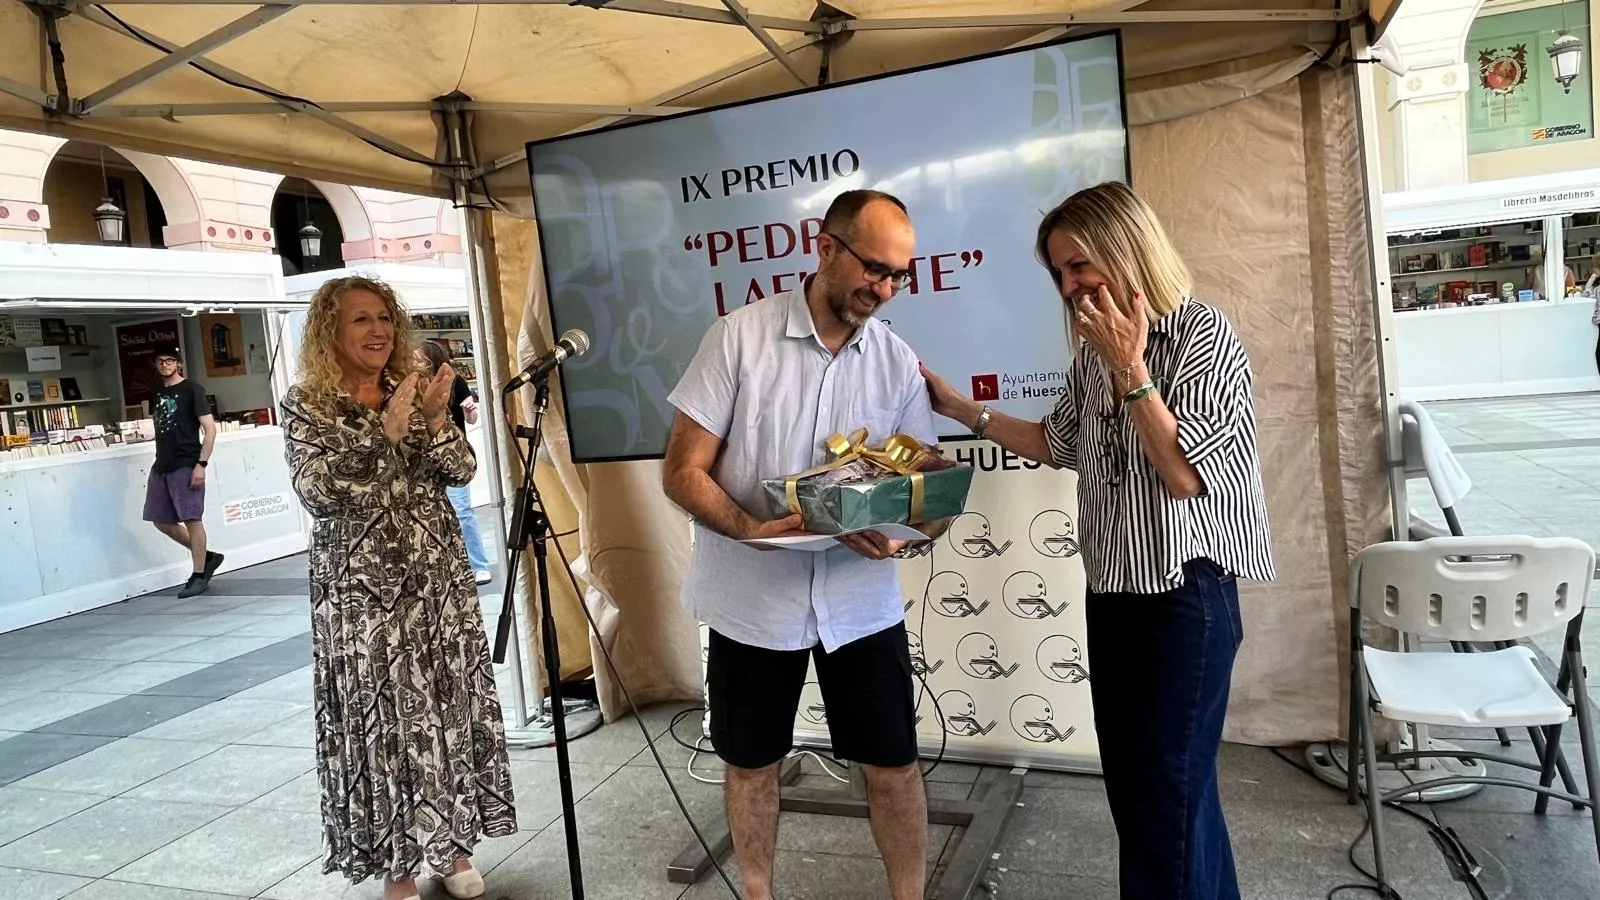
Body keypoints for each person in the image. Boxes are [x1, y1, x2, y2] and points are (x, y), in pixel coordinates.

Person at [921, 180, 1276, 900]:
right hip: (1112, 593)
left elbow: (1181, 473)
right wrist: (962, 408)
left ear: (1127, 249)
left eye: (1080, 265)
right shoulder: (1089, 356)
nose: (1071, 286)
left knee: (1165, 797)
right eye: (1059, 273)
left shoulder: (1202, 334)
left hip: (1184, 599)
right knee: (1151, 796)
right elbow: (1058, 444)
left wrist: (1131, 367)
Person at [662, 189, 951, 900]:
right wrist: (748, 528)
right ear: (825, 247)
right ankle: (757, 894)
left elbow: (922, 486)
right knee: (752, 763)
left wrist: (911, 518)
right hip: (753, 601)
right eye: (874, 269)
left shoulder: (894, 358)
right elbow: (681, 472)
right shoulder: (737, 337)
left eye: (898, 276)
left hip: (859, 602)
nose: (884, 289)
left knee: (893, 764)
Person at [279, 275, 516, 900]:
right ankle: (399, 867)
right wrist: (383, 431)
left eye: (384, 317)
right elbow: (319, 493)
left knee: (444, 710)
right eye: (360, 319)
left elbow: (460, 470)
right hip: (360, 593)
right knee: (383, 723)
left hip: (434, 582)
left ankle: (453, 848)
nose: (378, 330)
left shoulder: (409, 390)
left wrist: (435, 421)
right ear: (331, 330)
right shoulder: (309, 404)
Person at [143, 346, 223, 599]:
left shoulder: (192, 390)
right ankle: (207, 557)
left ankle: (199, 574)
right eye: (160, 361)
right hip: (162, 464)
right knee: (160, 519)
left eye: (170, 360)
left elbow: (210, 430)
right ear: (155, 364)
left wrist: (201, 464)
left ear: (178, 363)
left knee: (192, 518)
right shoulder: (156, 392)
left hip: (186, 463)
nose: (165, 364)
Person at [419, 339, 493, 584]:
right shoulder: (415, 385)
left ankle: (479, 564)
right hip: (425, 458)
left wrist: (470, 409)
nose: (415, 363)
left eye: (420, 359)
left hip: (454, 456)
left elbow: (471, 420)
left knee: (462, 510)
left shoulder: (456, 382)